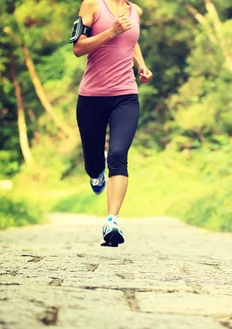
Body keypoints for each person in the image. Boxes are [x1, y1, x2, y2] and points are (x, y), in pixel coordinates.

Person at [71, 0, 153, 246]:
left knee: (118, 154)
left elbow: (131, 40)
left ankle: (112, 221)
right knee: (94, 161)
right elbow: (78, 48)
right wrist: (111, 31)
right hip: (92, 97)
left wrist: (141, 65)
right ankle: (96, 173)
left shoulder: (135, 11)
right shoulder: (92, 6)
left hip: (126, 95)